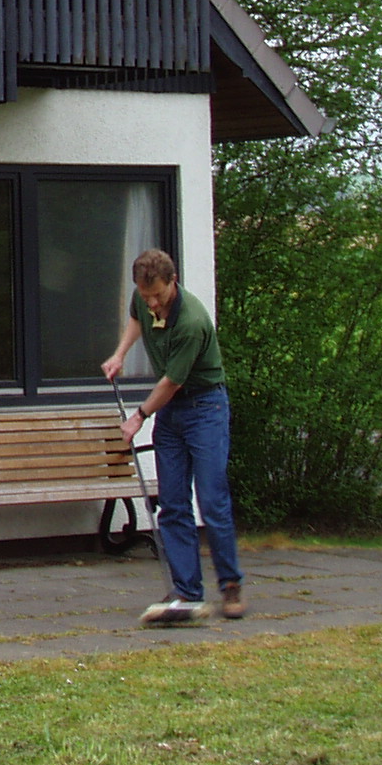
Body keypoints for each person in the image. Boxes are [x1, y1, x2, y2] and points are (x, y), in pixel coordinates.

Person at [102, 248, 243, 627]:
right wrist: (120, 354)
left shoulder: (191, 321)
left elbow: (171, 383)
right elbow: (137, 319)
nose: (152, 302)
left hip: (205, 408)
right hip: (172, 414)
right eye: (146, 295)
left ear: (173, 282)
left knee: (211, 500)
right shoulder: (143, 296)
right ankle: (187, 591)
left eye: (158, 295)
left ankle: (230, 584)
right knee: (173, 504)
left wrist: (139, 417)